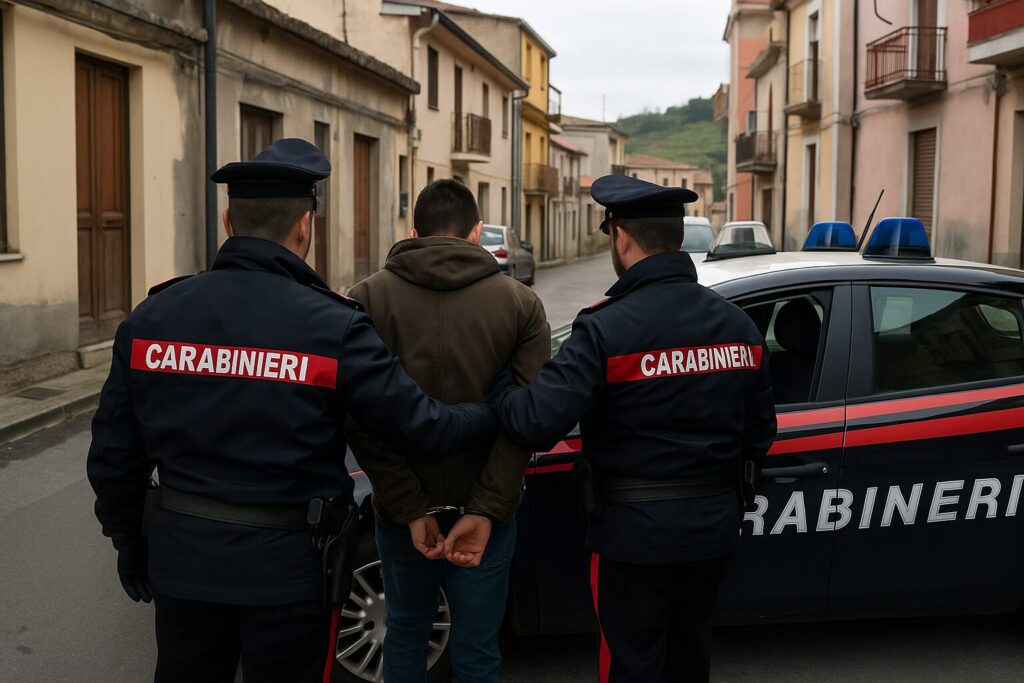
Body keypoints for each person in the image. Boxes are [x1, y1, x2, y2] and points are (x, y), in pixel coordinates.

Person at [86, 139, 500, 683]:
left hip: (184, 566)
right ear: (305, 226)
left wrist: (129, 543)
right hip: (290, 576)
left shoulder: (154, 318)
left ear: (229, 220)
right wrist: (497, 410)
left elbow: (115, 456)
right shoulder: (335, 327)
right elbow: (425, 429)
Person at [486, 174, 777, 683]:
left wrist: (500, 390)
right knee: (690, 654)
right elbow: (760, 432)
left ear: (621, 236)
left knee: (632, 663)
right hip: (712, 532)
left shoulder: (605, 328)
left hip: (633, 538)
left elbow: (536, 422)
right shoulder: (737, 325)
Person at [345, 179, 550, 683]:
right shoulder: (522, 305)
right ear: (477, 233)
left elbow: (359, 420)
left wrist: (410, 508)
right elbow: (526, 422)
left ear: (413, 232)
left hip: (402, 518)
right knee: (478, 653)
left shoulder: (364, 299)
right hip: (488, 518)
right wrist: (484, 511)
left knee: (407, 634)